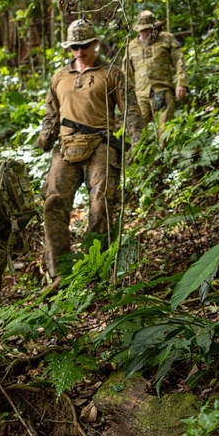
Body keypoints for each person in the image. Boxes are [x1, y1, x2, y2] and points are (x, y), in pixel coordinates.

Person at [37, 19, 143, 290]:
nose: (80, 51)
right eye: (75, 47)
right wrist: (46, 135)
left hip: (100, 144)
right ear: (69, 48)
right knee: (53, 204)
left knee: (101, 204)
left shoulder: (112, 74)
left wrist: (138, 142)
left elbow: (130, 109)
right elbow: (51, 112)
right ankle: (59, 272)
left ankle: (94, 267)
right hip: (66, 147)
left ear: (94, 43)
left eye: (84, 46)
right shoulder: (59, 77)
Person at [125, 9, 188, 134]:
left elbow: (179, 61)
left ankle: (165, 153)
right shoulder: (131, 46)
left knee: (164, 130)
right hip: (141, 95)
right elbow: (126, 73)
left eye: (149, 29)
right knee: (139, 132)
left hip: (163, 90)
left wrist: (181, 83)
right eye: (143, 30)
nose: (146, 32)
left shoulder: (167, 39)